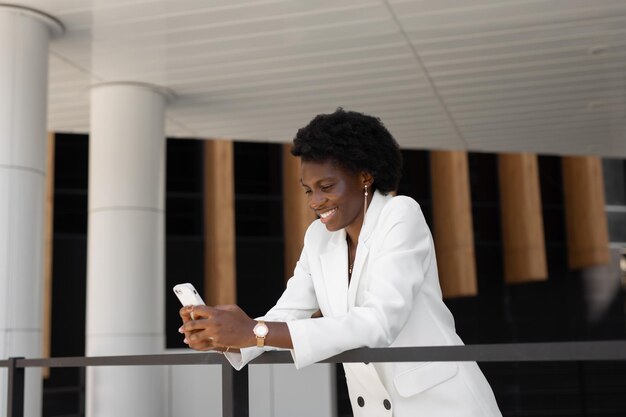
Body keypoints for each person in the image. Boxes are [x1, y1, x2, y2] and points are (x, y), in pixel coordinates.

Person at [179, 108, 502, 416]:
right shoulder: (318, 237)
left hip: (443, 403)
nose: (315, 202)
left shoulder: (399, 214)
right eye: (308, 190)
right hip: (375, 407)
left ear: (364, 176)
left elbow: (380, 322)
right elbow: (289, 312)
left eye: (326, 187)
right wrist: (225, 338)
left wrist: (254, 331)